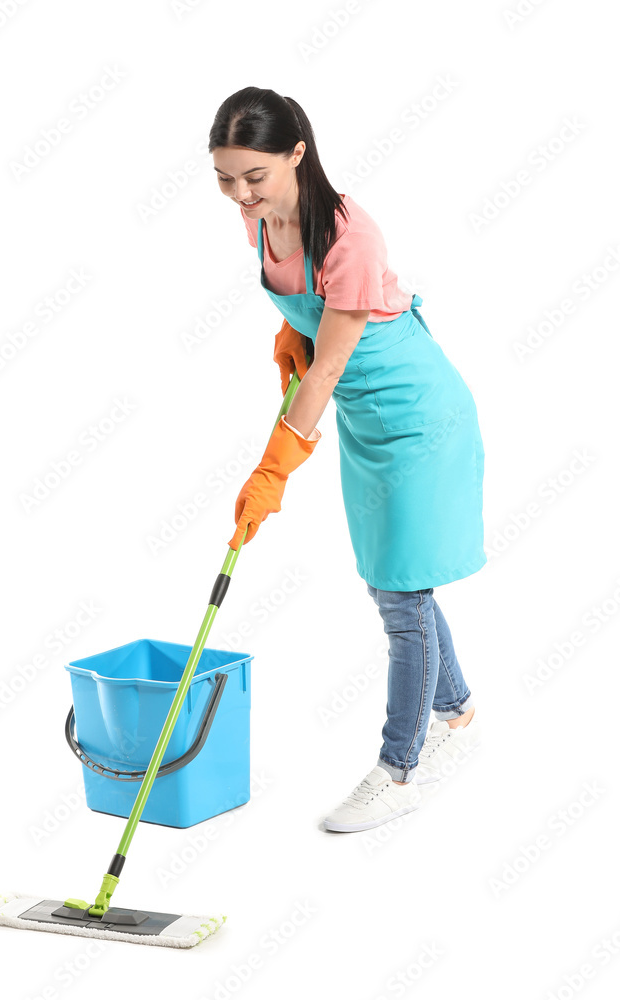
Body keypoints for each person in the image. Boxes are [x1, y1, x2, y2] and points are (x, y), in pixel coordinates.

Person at [208, 87, 486, 834]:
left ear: (298, 152)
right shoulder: (259, 221)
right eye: (226, 178)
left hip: (417, 415)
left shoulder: (349, 236)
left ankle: (400, 769)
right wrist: (290, 337)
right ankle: (458, 718)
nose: (240, 194)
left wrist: (274, 468)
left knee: (401, 597)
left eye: (254, 177)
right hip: (369, 421)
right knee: (397, 583)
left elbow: (326, 372)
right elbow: (315, 331)